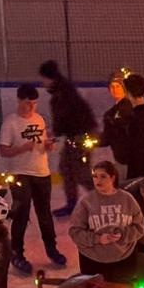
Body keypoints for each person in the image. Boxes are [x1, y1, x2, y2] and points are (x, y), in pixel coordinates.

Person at [68, 161, 144, 288]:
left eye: (103, 176)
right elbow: (75, 232)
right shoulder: (87, 202)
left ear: (113, 177)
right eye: (95, 176)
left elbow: (139, 227)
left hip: (122, 262)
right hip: (94, 263)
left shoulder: (127, 200)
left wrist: (122, 235)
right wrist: (97, 239)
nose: (98, 180)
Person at [0, 83, 66, 274]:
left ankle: (51, 249)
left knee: (44, 214)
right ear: (20, 101)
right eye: (28, 103)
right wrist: (22, 148)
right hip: (21, 174)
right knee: (21, 214)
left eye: (34, 103)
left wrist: (48, 145)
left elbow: (43, 144)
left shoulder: (39, 119)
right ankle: (17, 253)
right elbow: (4, 150)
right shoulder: (10, 122)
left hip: (42, 173)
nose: (31, 107)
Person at [40, 59, 98, 216]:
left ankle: (104, 199)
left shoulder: (63, 93)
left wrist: (55, 132)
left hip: (81, 136)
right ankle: (71, 203)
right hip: (75, 136)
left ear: (49, 77)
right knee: (66, 169)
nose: (42, 82)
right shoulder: (62, 90)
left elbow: (66, 118)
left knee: (81, 173)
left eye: (43, 79)